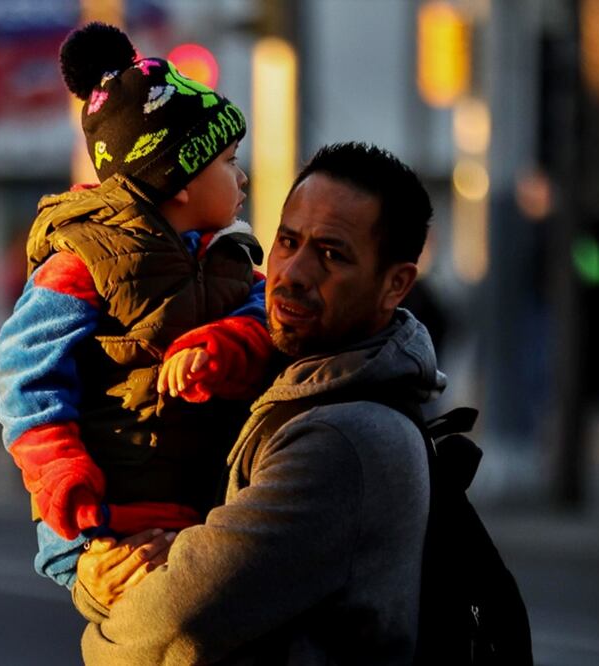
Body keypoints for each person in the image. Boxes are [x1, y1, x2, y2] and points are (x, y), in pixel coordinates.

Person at [73, 142, 444, 665]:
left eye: (332, 255)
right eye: (288, 241)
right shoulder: (275, 385)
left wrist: (98, 628)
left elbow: (176, 624)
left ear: (396, 284)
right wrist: (96, 574)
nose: (292, 272)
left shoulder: (342, 438)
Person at [0, 23, 272, 588]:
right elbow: (26, 373)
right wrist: (62, 476)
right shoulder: (81, 260)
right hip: (105, 516)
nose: (241, 176)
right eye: (227, 160)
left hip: (193, 503)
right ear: (180, 179)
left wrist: (227, 345)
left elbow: (266, 315)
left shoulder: (226, 256)